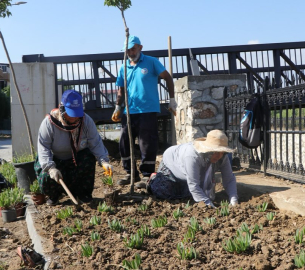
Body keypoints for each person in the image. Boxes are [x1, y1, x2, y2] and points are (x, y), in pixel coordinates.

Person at [111, 35, 177, 188]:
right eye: (127, 49)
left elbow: (167, 78)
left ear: (140, 47)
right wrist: (118, 107)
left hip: (148, 110)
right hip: (129, 111)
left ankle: (147, 175)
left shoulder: (151, 62)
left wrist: (171, 100)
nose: (130, 52)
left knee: (146, 142)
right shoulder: (123, 67)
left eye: (133, 48)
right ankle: (130, 173)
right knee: (124, 141)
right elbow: (121, 90)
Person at [35, 89, 113, 205]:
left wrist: (104, 161)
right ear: (62, 108)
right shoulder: (49, 123)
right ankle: (54, 195)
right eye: (71, 113)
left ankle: (83, 194)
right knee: (45, 175)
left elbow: (95, 143)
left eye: (77, 113)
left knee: (88, 158)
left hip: (76, 159)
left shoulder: (86, 121)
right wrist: (51, 168)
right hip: (56, 161)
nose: (75, 118)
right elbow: (43, 148)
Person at [146, 130, 238, 207]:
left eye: (222, 152)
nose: (219, 156)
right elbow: (193, 185)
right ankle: (153, 180)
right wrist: (209, 205)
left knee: (190, 193)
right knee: (165, 192)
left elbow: (229, 179)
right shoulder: (192, 156)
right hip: (171, 165)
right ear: (209, 150)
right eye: (216, 152)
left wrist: (234, 200)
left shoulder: (222, 157)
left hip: (189, 171)